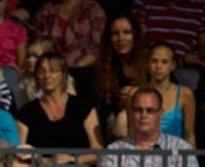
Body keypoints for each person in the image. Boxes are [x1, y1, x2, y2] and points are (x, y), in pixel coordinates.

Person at [15, 52, 102, 165]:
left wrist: (72, 160)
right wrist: (48, 161)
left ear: (63, 74)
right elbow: (20, 154)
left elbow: (98, 152)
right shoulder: (25, 113)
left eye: (53, 70)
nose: (47, 76)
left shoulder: (84, 107)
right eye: (41, 71)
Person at [93, 13, 147, 142]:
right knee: (121, 120)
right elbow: (99, 110)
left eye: (127, 32)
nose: (121, 38)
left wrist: (136, 96)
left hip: (147, 120)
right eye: (115, 33)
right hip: (114, 128)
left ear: (135, 36)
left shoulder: (149, 64)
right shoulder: (101, 69)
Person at [30, 0, 105, 91]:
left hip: (85, 72)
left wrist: (73, 69)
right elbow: (38, 44)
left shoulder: (91, 8)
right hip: (53, 72)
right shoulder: (46, 10)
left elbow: (98, 47)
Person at [131, 0, 205, 73]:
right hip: (150, 65)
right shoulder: (142, 2)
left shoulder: (202, 5)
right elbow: (136, 40)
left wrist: (193, 60)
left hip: (186, 68)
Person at [143, 42, 195, 145]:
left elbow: (189, 135)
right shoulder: (136, 94)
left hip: (175, 157)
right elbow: (131, 135)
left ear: (173, 65)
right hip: (145, 156)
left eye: (164, 62)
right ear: (147, 64)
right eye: (154, 61)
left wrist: (191, 160)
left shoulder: (185, 94)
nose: (158, 66)